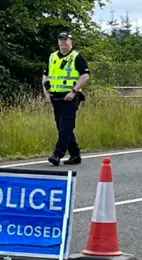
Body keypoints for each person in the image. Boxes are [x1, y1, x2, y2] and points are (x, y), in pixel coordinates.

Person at [42, 31, 90, 166]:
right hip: (55, 97)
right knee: (61, 126)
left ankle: (57, 154)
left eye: (65, 40)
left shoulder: (76, 57)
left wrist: (74, 91)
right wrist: (46, 93)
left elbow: (85, 75)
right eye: (61, 40)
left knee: (66, 127)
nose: (63, 42)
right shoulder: (52, 57)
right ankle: (75, 155)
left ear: (71, 41)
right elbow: (46, 75)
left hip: (70, 97)